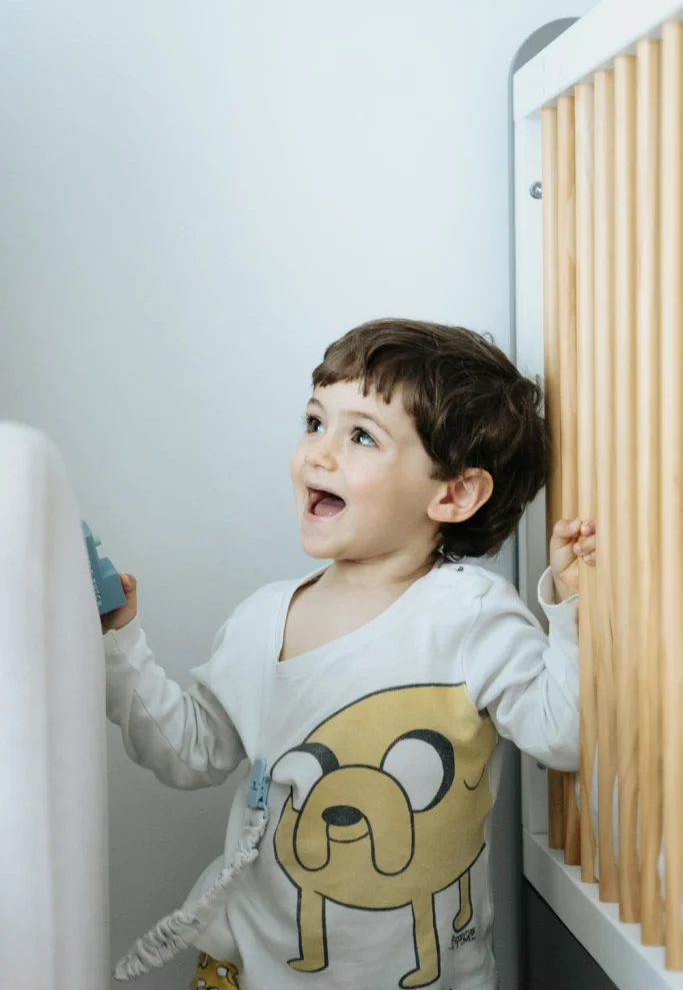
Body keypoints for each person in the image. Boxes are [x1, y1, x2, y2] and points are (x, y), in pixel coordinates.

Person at [103, 319, 595, 990]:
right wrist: (119, 643)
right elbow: (190, 753)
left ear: (451, 493)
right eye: (314, 422)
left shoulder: (467, 614)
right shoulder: (260, 620)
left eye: (360, 436)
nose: (317, 454)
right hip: (245, 972)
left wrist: (566, 607)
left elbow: (561, 736)